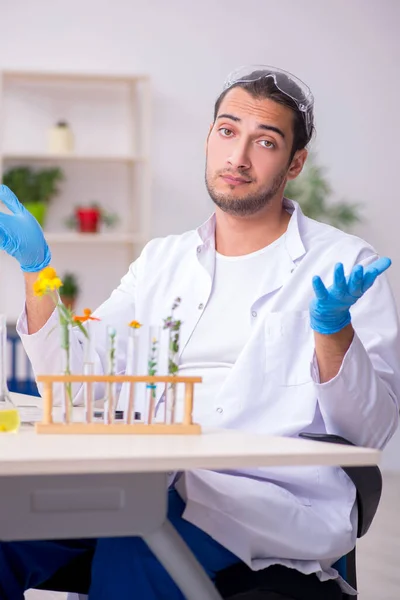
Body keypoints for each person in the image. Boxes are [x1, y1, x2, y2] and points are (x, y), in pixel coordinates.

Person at [0, 65, 399, 600]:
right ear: (209, 138)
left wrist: (333, 331)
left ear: (295, 162)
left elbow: (370, 430)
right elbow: (80, 381)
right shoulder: (161, 259)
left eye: (266, 141)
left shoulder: (344, 264)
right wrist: (37, 271)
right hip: (149, 476)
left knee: (139, 545)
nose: (238, 156)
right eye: (227, 131)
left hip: (268, 498)